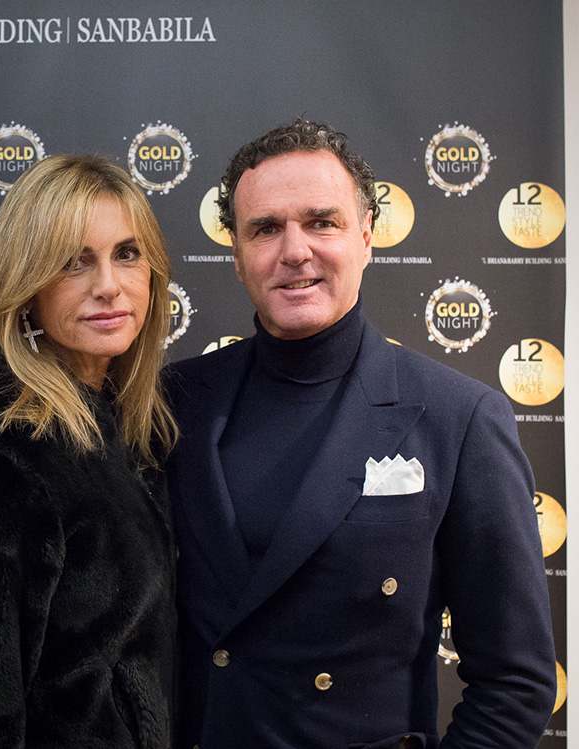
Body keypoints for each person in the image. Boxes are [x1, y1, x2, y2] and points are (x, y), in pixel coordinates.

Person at [165, 118, 557, 748]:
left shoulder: (459, 418)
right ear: (236, 254)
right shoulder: (172, 402)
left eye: (322, 222)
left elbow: (516, 681)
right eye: (265, 229)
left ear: (367, 236)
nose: (295, 251)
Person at [0, 154, 179, 748]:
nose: (108, 285)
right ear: (27, 287)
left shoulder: (129, 420)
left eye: (126, 254)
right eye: (72, 262)